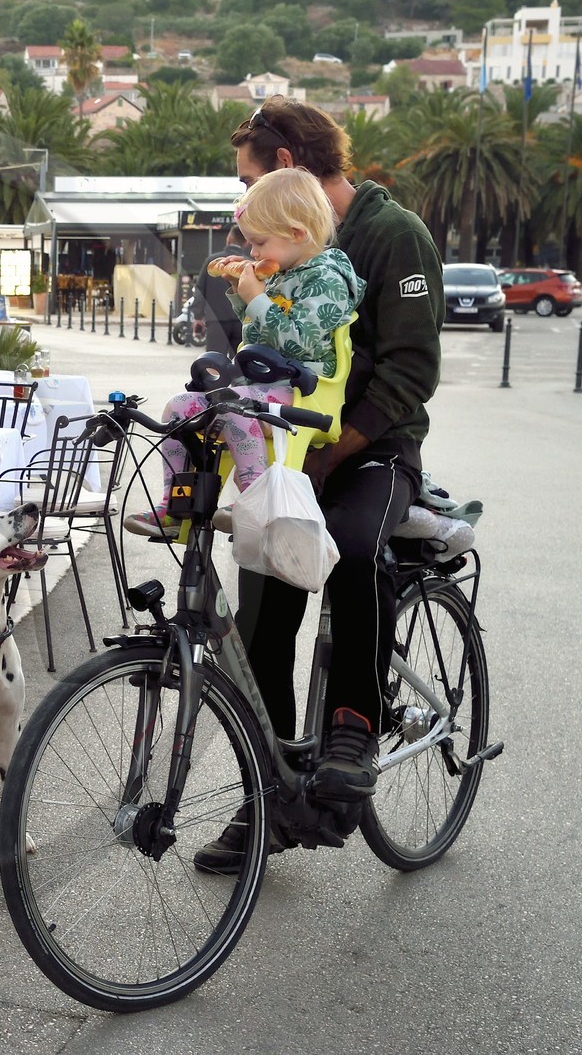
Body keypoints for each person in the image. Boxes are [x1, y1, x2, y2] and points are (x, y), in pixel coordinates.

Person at [195, 95, 444, 875]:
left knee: (357, 546)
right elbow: (245, 345)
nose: (244, 218)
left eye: (246, 182)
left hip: (371, 451)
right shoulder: (269, 250)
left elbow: (411, 371)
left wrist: (335, 453)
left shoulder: (390, 234)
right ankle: (265, 796)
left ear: (284, 167)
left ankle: (353, 727)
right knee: (263, 600)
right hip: (287, 449)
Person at [125, 169, 363, 538]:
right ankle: (176, 504)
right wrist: (242, 294)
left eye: (259, 243)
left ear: (298, 233)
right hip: (261, 385)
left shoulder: (327, 280)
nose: (251, 253)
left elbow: (299, 343)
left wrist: (257, 298)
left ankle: (255, 501)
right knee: (178, 407)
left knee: (231, 406)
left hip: (306, 390)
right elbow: (259, 330)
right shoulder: (284, 270)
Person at [193, 226, 250, 357]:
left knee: (213, 363)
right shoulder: (248, 264)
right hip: (241, 322)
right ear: (246, 242)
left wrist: (197, 316)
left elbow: (200, 290)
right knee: (240, 365)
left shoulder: (213, 262)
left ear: (229, 238)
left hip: (215, 321)